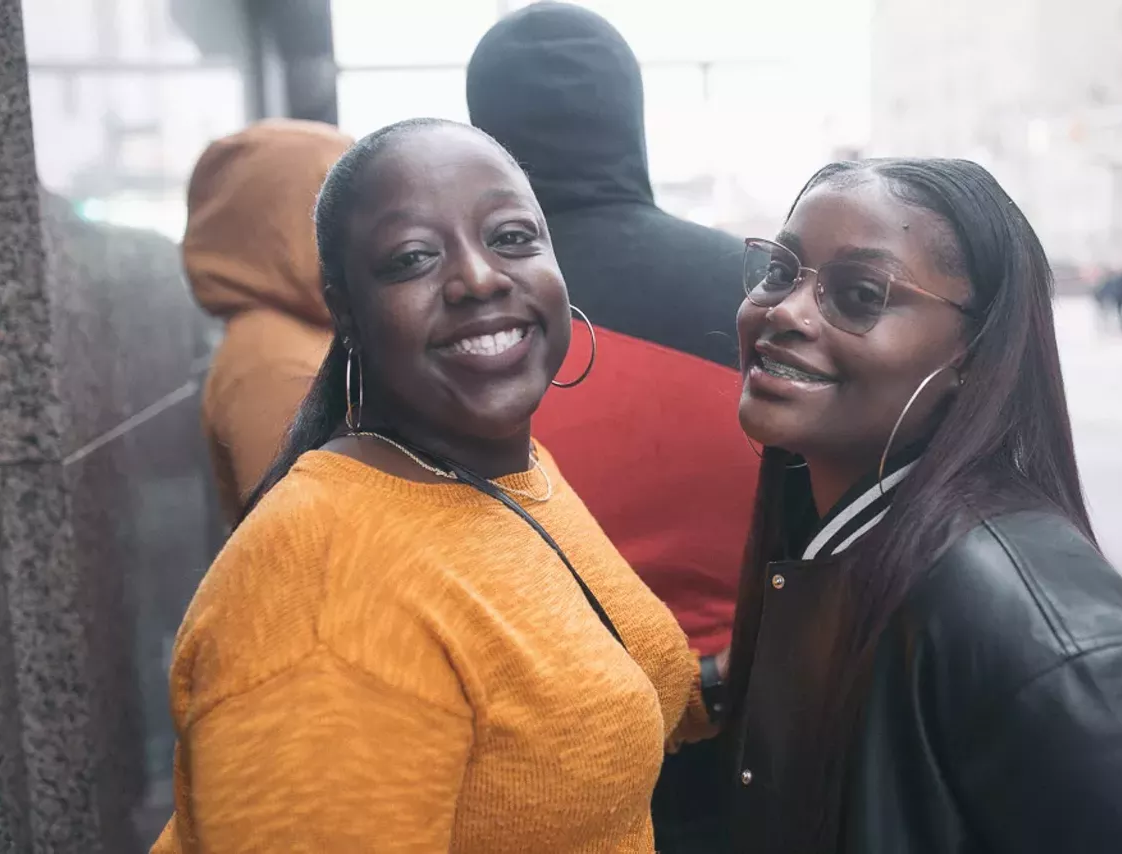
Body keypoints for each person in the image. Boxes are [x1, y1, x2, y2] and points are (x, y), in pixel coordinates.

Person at [152, 118, 712, 853]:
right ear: (346, 311)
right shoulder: (325, 594)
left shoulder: (506, 471)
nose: (480, 277)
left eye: (512, 238)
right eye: (413, 257)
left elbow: (599, 699)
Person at [726, 159, 1122, 853]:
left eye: (860, 293)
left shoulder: (1053, 645)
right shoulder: (830, 542)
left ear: (974, 352)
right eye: (780, 272)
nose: (785, 311)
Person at [468, 7, 753, 850]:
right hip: (750, 730)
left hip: (520, 755)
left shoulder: (436, 329)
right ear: (630, 117)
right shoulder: (765, 292)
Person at [183, 119, 353, 524]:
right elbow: (302, 533)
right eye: (336, 205)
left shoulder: (299, 328)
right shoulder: (271, 360)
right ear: (284, 218)